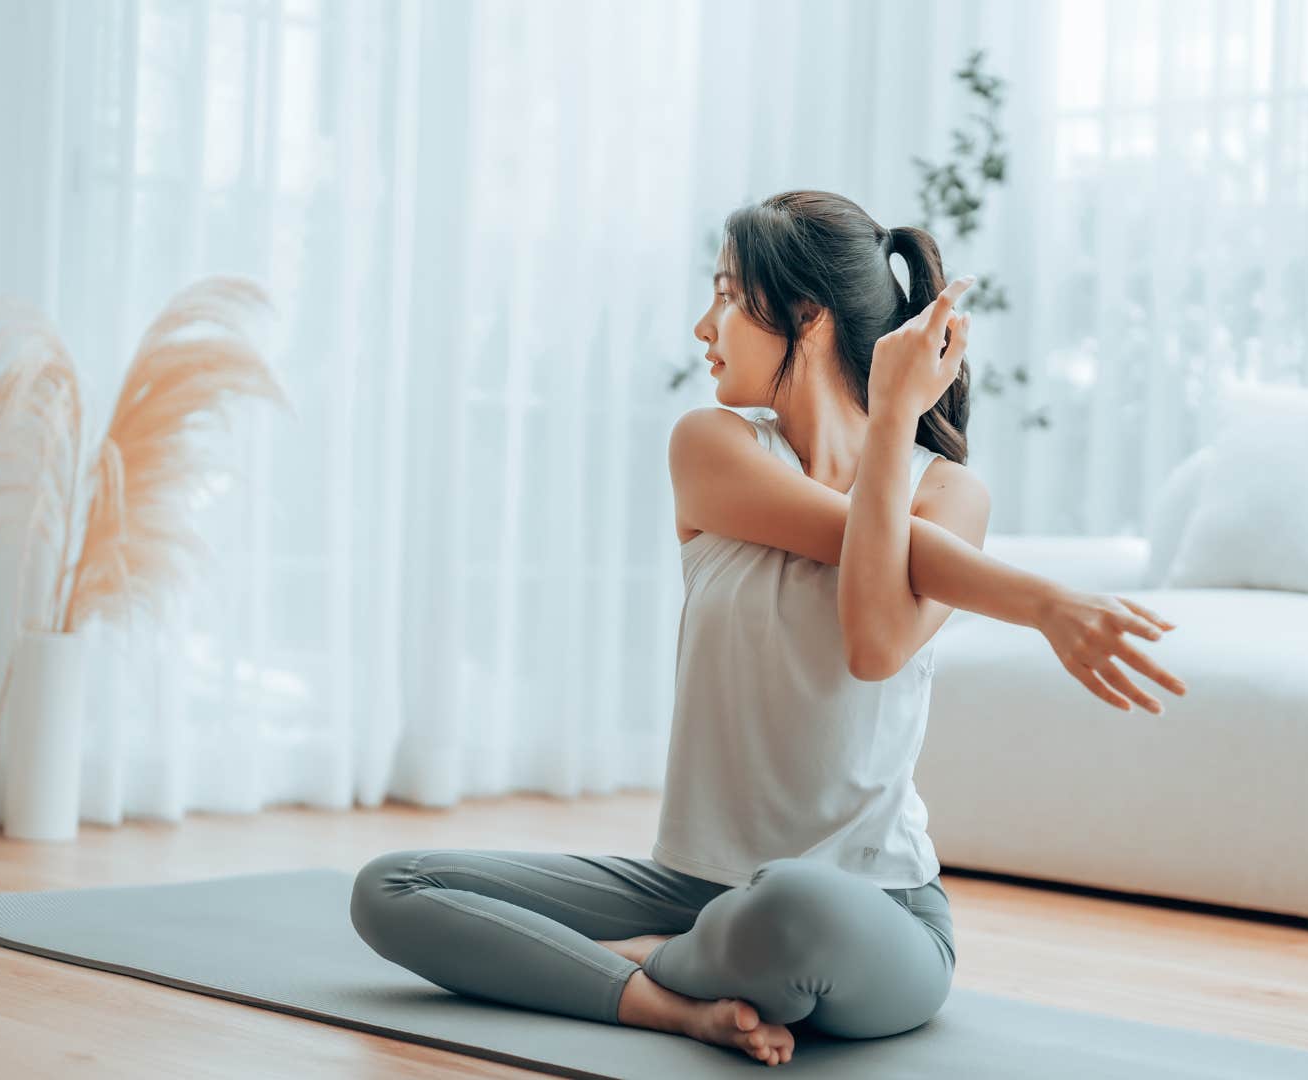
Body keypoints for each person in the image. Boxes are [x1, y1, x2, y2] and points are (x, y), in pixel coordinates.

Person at [349, 190, 1189, 1067]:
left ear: (807, 318)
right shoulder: (711, 447)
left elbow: (872, 643)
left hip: (870, 909)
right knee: (392, 887)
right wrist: (1042, 603)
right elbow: (860, 538)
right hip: (686, 890)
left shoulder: (949, 494)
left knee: (793, 904)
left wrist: (897, 417)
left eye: (725, 295)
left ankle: (623, 967)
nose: (703, 324)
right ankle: (668, 1001)